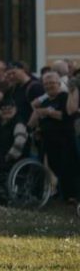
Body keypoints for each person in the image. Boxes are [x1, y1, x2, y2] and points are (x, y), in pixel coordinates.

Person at [30, 71, 80, 203]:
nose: (49, 86)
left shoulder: (64, 96)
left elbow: (67, 116)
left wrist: (48, 112)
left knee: (68, 167)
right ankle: (62, 195)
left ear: (59, 83)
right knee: (55, 167)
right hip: (48, 139)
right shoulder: (45, 101)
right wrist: (38, 127)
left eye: (52, 83)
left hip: (64, 138)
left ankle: (72, 196)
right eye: (46, 84)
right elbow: (36, 119)